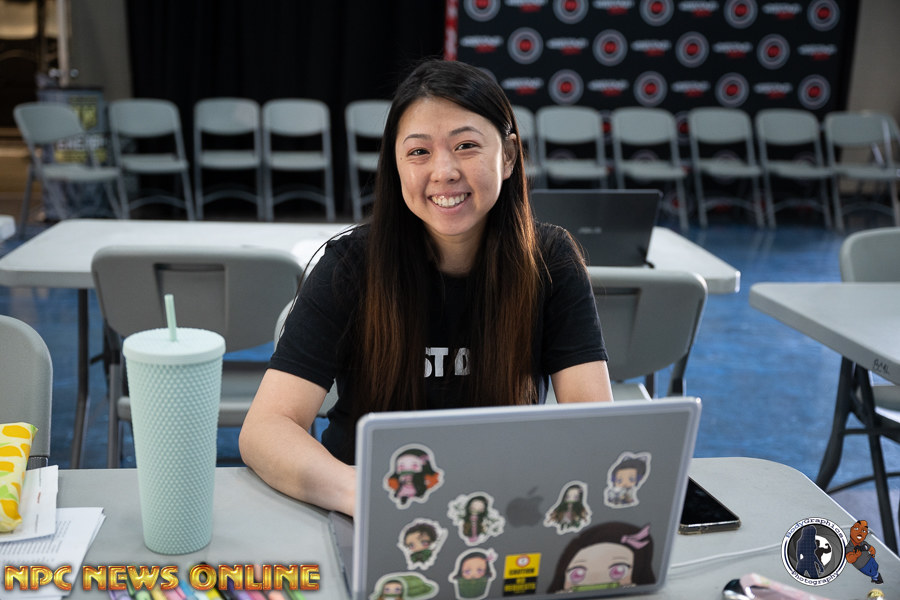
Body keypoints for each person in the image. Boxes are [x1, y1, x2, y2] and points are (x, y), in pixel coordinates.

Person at [239, 58, 613, 515]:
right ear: (396, 165)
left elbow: (594, 425)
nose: (444, 171)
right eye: (419, 152)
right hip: (365, 508)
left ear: (509, 156)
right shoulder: (351, 266)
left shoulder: (550, 261)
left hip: (500, 510)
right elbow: (265, 428)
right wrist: (368, 496)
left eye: (466, 146)